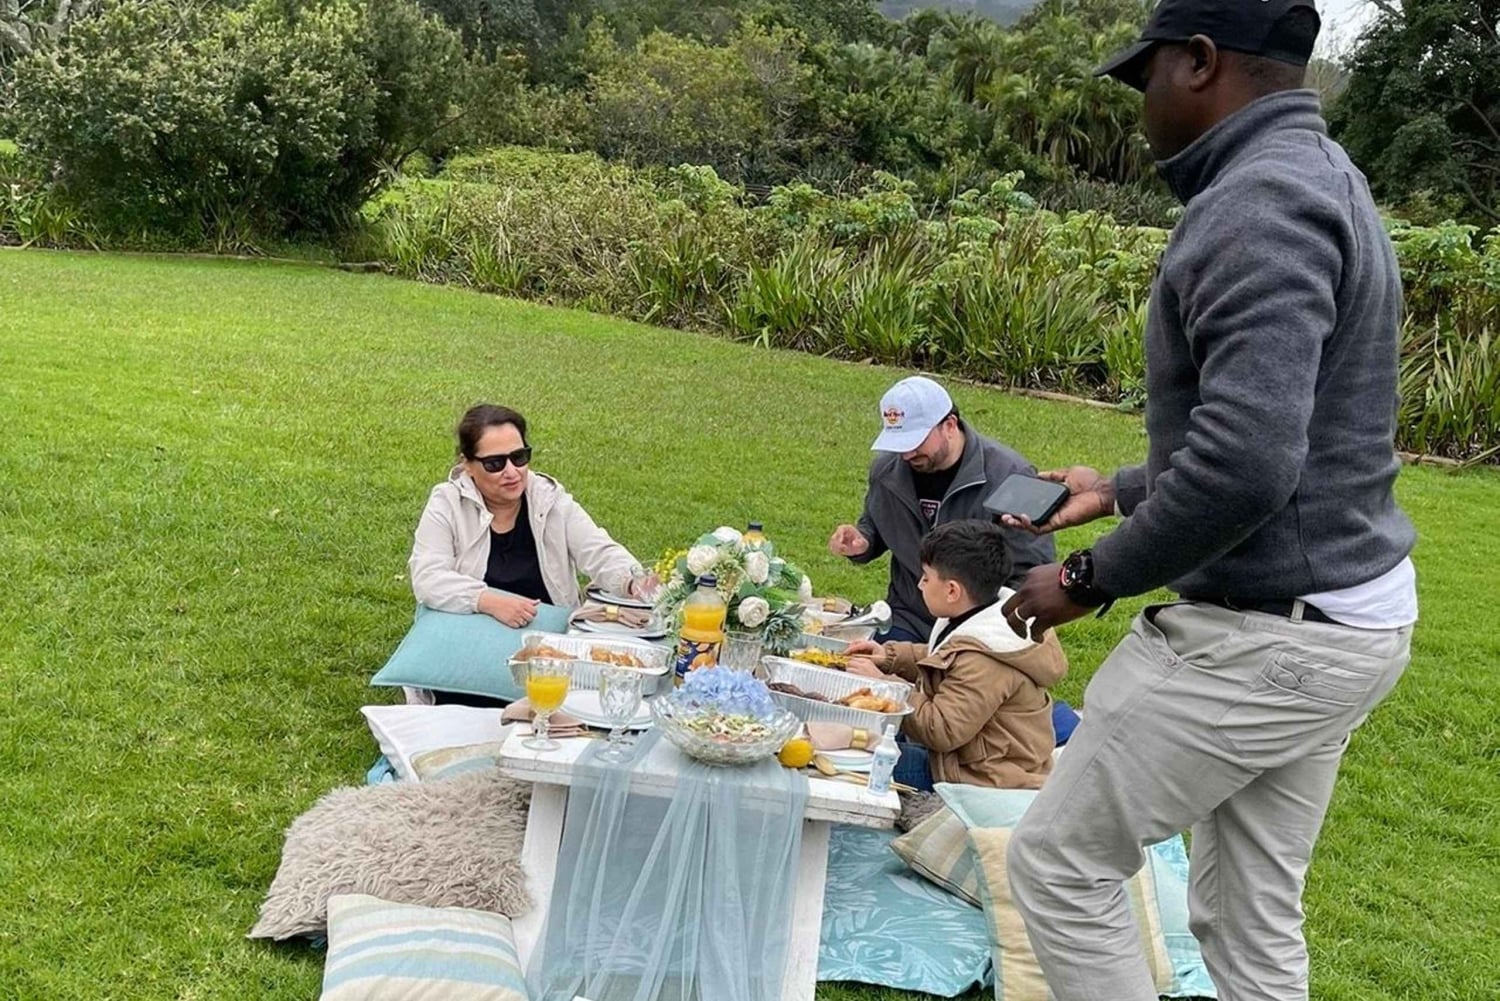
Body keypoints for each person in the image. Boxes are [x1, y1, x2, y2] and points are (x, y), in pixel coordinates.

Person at [995, 4, 1418, 1000]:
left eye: (1145, 78)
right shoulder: (1322, 178)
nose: (1141, 105)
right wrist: (1118, 490)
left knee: (1059, 862)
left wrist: (1087, 579)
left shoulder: (1259, 203)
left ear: (1200, 61)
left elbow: (1248, 467)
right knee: (1247, 917)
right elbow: (1298, 436)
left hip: (1272, 634)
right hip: (1349, 621)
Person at [408, 403, 650, 704]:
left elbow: (598, 550)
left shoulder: (549, 499)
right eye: (495, 463)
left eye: (519, 457)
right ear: (467, 464)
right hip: (470, 656)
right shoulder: (447, 504)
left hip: (546, 654)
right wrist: (488, 601)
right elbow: (427, 577)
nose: (512, 472)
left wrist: (634, 580)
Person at [844, 520, 1067, 793]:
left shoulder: (986, 661)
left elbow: (942, 730)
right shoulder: (982, 617)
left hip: (979, 781)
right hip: (960, 763)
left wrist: (886, 688)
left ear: (952, 591)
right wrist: (889, 656)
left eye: (926, 577)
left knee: (855, 759)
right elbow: (944, 658)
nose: (919, 584)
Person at [829, 375, 1054, 643]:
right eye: (899, 444)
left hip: (980, 628)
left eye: (915, 441)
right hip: (907, 618)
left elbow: (1032, 569)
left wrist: (991, 627)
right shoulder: (885, 472)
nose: (906, 454)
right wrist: (863, 541)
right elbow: (876, 525)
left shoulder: (1013, 476)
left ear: (949, 425)